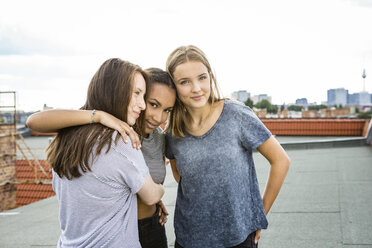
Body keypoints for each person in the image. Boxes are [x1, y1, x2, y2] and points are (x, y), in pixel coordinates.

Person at [26, 67, 176, 248]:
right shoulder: (118, 137)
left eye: (167, 110)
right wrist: (99, 116)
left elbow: (136, 183)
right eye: (153, 103)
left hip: (151, 226)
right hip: (116, 234)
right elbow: (34, 121)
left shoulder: (158, 138)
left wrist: (151, 196)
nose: (159, 117)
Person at [164, 45, 291, 248]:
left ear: (211, 77)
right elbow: (181, 176)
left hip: (238, 237)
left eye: (202, 78)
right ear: (174, 86)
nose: (196, 88)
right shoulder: (172, 132)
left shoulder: (236, 115)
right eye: (184, 82)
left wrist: (260, 215)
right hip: (190, 239)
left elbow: (281, 161)